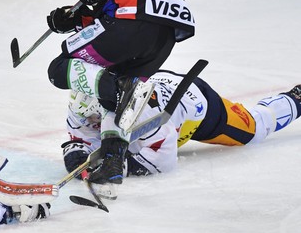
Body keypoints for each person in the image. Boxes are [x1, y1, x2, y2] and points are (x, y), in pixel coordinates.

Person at [46, 0, 195, 189]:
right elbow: (107, 11)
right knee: (114, 97)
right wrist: (73, 19)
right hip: (160, 39)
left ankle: (117, 89)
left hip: (134, 26)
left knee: (60, 66)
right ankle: (114, 162)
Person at [61, 70, 301, 198]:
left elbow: (163, 161)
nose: (92, 123)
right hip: (154, 85)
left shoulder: (143, 111)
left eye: (96, 119)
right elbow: (81, 136)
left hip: (196, 103)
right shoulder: (83, 104)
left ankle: (295, 99)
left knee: (254, 129)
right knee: (129, 143)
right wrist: (76, 154)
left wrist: (119, 165)